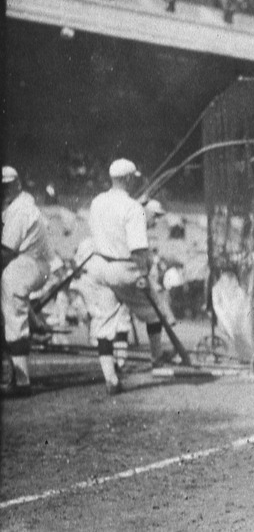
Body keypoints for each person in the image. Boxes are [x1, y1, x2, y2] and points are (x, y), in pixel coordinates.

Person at [86, 158, 176, 395]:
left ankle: (111, 379)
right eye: (133, 178)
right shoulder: (133, 208)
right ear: (127, 179)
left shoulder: (97, 202)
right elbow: (138, 250)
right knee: (154, 311)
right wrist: (144, 274)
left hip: (98, 266)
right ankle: (157, 359)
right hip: (123, 268)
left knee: (104, 324)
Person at [2, 166, 54, 397]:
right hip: (31, 264)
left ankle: (21, 382)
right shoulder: (18, 206)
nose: (3, 190)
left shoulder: (20, 209)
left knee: (14, 319)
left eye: (7, 186)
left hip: (27, 264)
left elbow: (5, 251)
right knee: (13, 314)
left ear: (17, 184)